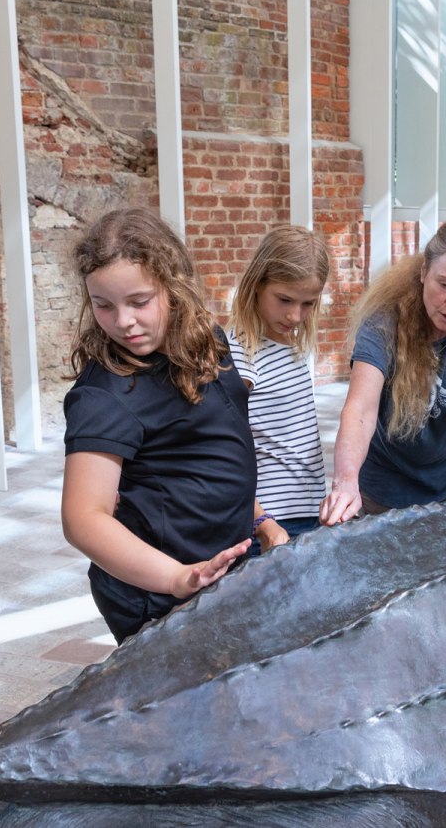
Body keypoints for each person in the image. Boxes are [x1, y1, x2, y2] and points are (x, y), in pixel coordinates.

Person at [60, 207, 253, 643]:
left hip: (221, 565)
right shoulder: (105, 393)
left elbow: (222, 442)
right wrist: (175, 577)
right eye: (103, 305)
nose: (123, 321)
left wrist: (258, 519)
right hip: (161, 588)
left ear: (174, 285)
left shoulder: (208, 340)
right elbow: (82, 518)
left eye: (139, 302)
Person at [319, 216, 446, 524]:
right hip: (382, 490)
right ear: (423, 272)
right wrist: (346, 481)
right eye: (444, 285)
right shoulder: (383, 317)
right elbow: (361, 409)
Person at [228, 226, 333, 550]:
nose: (295, 315)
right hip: (269, 526)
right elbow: (223, 452)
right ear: (257, 284)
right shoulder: (240, 355)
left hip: (308, 515)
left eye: (307, 304)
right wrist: (262, 522)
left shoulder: (291, 343)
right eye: (284, 299)